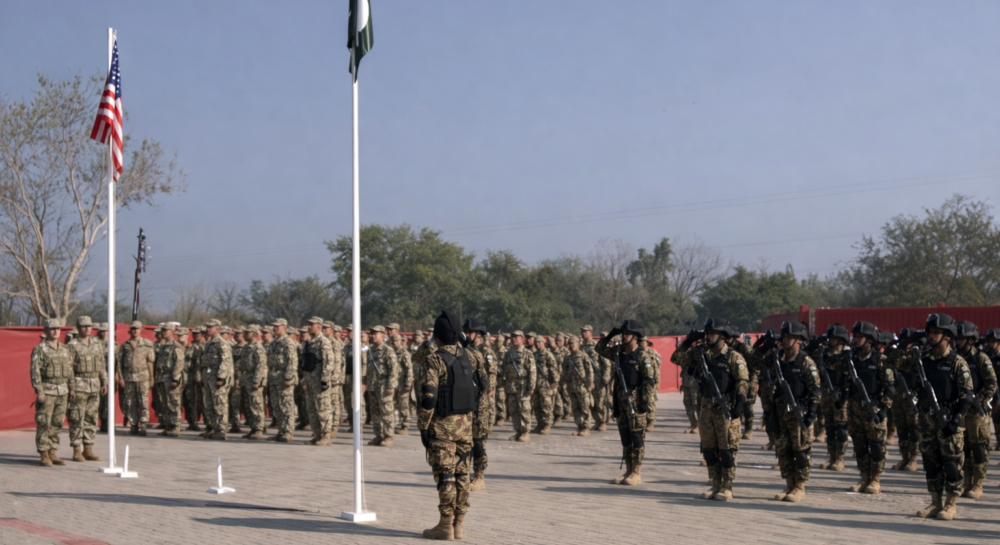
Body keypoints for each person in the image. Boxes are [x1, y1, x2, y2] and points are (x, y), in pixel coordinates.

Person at [672, 318, 748, 499]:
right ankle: (715, 484)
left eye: (713, 333)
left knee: (727, 449)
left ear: (723, 336)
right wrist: (688, 340)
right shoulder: (700, 354)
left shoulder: (733, 357)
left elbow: (742, 382)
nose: (709, 336)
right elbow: (676, 358)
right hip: (706, 407)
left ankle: (727, 486)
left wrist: (739, 404)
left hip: (726, 408)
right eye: (707, 333)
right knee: (709, 449)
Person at [914, 313, 974, 521]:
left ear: (947, 336)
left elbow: (967, 395)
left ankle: (950, 504)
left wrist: (956, 420)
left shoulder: (957, 362)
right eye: (930, 331)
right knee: (931, 462)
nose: (931, 336)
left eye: (936, 332)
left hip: (949, 421)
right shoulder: (923, 360)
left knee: (952, 463)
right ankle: (935, 502)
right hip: (926, 420)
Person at [597, 320, 659, 487]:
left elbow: (649, 381)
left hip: (636, 402)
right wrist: (610, 334)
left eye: (628, 334)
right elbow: (599, 349)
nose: (624, 336)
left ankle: (636, 473)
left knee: (637, 437)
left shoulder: (642, 357)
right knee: (625, 437)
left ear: (636, 337)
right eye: (623, 334)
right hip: (621, 401)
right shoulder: (618, 353)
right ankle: (628, 470)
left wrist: (645, 401)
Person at [768, 321, 821, 503]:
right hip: (781, 413)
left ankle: (800, 487)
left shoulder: (805, 362)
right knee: (783, 451)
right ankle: (789, 484)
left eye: (789, 336)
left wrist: (811, 415)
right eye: (783, 336)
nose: (784, 339)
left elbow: (815, 390)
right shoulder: (778, 359)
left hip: (799, 415)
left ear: (799, 340)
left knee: (800, 452)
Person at [844, 321, 894, 494]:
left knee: (877, 446)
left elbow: (890, 386)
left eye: (859, 337)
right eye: (854, 336)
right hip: (855, 410)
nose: (855, 340)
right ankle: (864, 477)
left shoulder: (880, 360)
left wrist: (884, 409)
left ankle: (875, 480)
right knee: (860, 446)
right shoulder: (851, 359)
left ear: (870, 340)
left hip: (874, 410)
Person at [955, 321, 996, 499]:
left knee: (979, 448)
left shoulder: (981, 358)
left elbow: (992, 383)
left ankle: (978, 484)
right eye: (956, 338)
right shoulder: (955, 358)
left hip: (977, 411)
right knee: (963, 448)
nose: (957, 341)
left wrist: (983, 399)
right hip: (961, 409)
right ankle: (966, 482)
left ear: (970, 340)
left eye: (961, 338)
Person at [31, 319, 75, 466]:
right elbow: (35, 372)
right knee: (44, 422)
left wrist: (72, 387)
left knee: (57, 423)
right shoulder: (39, 349)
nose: (55, 331)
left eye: (57, 328)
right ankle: (43, 453)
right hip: (48, 391)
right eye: (52, 328)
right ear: (46, 330)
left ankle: (52, 452)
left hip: (62, 391)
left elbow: (69, 370)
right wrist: (40, 391)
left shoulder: (65, 349)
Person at [67, 316, 106, 461]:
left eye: (89, 326)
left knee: (91, 418)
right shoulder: (72, 345)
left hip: (94, 385)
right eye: (84, 326)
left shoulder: (97, 344)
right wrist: (71, 387)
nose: (87, 328)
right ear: (78, 327)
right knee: (77, 417)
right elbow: (69, 368)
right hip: (79, 385)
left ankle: (88, 449)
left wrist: (104, 382)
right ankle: (77, 449)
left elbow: (102, 364)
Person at [462, 318, 494, 491]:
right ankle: (464, 474)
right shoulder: (463, 351)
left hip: (480, 403)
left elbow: (491, 377)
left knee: (478, 441)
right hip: (465, 401)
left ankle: (479, 476)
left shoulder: (486, 352)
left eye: (470, 332)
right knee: (465, 440)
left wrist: (487, 388)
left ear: (479, 335)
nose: (467, 335)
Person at [816, 324, 851, 472]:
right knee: (829, 428)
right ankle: (831, 457)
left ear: (842, 340)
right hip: (826, 395)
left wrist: (843, 399)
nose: (830, 340)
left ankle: (840, 459)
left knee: (841, 429)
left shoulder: (846, 356)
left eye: (834, 338)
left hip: (840, 396)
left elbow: (850, 380)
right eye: (830, 337)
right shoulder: (824, 355)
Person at [301, 317, 338, 445]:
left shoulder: (323, 342)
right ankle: (317, 434)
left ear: (318, 326)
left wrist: (324, 380)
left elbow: (329, 362)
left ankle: (326, 436)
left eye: (311, 324)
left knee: (323, 409)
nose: (309, 326)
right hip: (310, 380)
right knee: (311, 409)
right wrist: (304, 380)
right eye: (308, 324)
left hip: (319, 381)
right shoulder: (308, 342)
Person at [116, 321, 155, 436]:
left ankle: (143, 425)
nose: (135, 330)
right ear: (130, 330)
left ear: (141, 330)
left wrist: (151, 378)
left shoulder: (147, 344)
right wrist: (121, 378)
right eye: (133, 328)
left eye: (137, 328)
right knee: (130, 402)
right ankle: (133, 425)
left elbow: (150, 363)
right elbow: (119, 363)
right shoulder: (125, 345)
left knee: (143, 401)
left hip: (143, 377)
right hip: (129, 378)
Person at [199, 319, 234, 440]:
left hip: (218, 379)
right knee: (209, 404)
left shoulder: (221, 343)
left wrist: (220, 377)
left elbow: (225, 361)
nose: (208, 329)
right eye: (207, 327)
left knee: (220, 404)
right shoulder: (209, 343)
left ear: (217, 328)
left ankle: (221, 430)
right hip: (209, 378)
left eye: (210, 327)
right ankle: (214, 428)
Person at [366, 325, 400, 447]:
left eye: (375, 334)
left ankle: (388, 436)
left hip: (384, 386)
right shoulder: (370, 351)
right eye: (371, 333)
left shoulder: (388, 351)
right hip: (373, 386)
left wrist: (391, 386)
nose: (372, 336)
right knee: (375, 412)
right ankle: (378, 435)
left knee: (386, 412)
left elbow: (394, 370)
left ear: (382, 335)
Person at [267, 318, 299, 442]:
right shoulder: (273, 343)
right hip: (274, 377)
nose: (274, 328)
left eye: (277, 326)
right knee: (276, 406)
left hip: (283, 378)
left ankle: (288, 432)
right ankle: (281, 430)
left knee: (286, 406)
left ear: (284, 327)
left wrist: (288, 377)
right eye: (274, 326)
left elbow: (292, 361)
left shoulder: (288, 342)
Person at [500, 331, 536, 442]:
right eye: (512, 337)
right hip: (511, 387)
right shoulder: (508, 353)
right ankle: (518, 431)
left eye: (516, 337)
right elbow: (504, 369)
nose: (514, 339)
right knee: (514, 410)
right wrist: (503, 381)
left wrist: (531, 386)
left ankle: (525, 432)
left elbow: (532, 371)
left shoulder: (527, 353)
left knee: (524, 409)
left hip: (523, 387)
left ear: (522, 339)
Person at [153, 324, 186, 437]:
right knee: (165, 403)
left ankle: (176, 427)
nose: (163, 332)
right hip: (163, 378)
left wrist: (175, 379)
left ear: (172, 331)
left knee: (173, 403)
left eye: (166, 330)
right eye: (162, 330)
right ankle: (168, 426)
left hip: (171, 378)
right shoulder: (163, 346)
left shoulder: (175, 346)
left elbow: (179, 363)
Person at [562, 335, 595, 436]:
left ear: (578, 344)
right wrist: (564, 382)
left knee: (584, 407)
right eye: (570, 344)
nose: (571, 346)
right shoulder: (567, 358)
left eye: (573, 344)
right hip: (572, 387)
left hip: (582, 387)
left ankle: (585, 428)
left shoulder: (583, 356)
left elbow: (590, 370)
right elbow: (564, 371)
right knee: (576, 408)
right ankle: (579, 426)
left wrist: (589, 382)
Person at [530, 333, 559, 435]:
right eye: (536, 342)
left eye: (539, 342)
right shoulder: (533, 355)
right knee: (536, 405)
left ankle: (547, 425)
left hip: (545, 383)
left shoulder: (548, 355)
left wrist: (555, 381)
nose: (537, 344)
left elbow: (553, 368)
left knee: (546, 405)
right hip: (536, 383)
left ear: (544, 343)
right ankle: (540, 424)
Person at [393, 333, 415, 435]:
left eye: (395, 341)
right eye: (392, 341)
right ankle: (398, 424)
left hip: (403, 383)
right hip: (395, 383)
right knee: (396, 404)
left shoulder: (404, 353)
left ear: (400, 342)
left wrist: (408, 383)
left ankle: (405, 426)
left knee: (404, 405)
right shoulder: (392, 352)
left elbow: (409, 369)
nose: (393, 343)